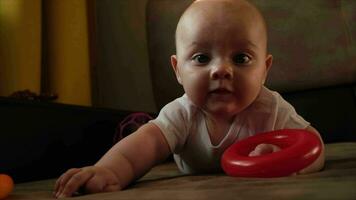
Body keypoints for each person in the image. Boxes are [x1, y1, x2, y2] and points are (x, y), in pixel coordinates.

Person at [54, 0, 325, 198]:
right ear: (178, 70)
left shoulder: (272, 109)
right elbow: (140, 147)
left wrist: (287, 161)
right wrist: (109, 172)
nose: (220, 69)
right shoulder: (182, 114)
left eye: (241, 58)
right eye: (201, 58)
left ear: (265, 70)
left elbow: (314, 146)